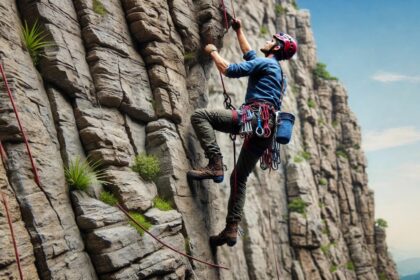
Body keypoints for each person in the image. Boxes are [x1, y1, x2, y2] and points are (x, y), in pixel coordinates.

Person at [187, 19, 298, 248]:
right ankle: (231, 228)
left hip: (254, 118)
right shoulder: (278, 73)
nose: (268, 41)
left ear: (276, 47)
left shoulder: (266, 65)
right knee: (239, 177)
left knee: (200, 116)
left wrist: (213, 52)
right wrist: (239, 31)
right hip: (266, 131)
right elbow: (250, 56)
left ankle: (215, 163)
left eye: (272, 40)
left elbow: (229, 70)